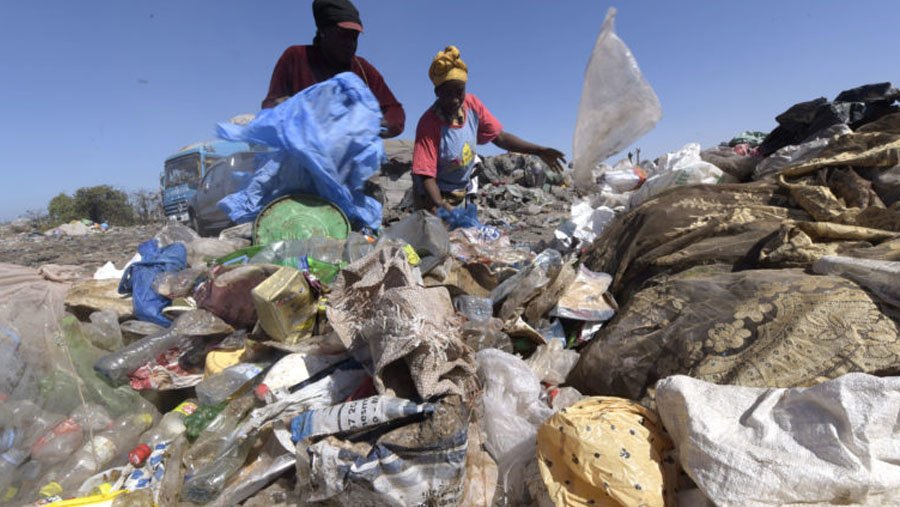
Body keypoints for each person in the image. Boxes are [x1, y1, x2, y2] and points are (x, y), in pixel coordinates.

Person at [412, 46, 566, 212]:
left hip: (459, 193)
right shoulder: (428, 124)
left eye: (459, 91)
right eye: (448, 93)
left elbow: (500, 137)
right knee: (436, 235)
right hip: (431, 196)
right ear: (437, 92)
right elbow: (426, 175)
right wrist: (440, 206)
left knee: (462, 235)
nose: (455, 99)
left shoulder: (472, 105)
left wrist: (539, 150)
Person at [261, 0, 405, 138]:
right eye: (343, 36)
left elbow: (395, 111)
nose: (350, 43)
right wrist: (286, 109)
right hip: (300, 156)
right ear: (323, 31)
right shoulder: (295, 57)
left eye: (354, 37)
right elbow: (270, 105)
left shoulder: (363, 70)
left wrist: (378, 125)